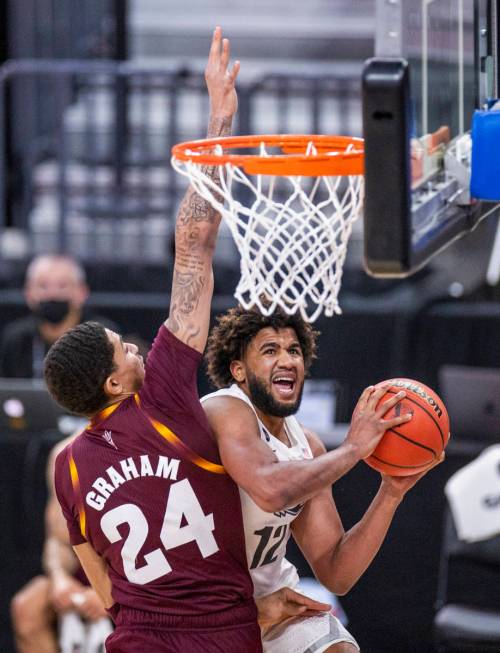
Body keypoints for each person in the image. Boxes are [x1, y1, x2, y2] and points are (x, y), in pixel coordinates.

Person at [44, 29, 327, 652]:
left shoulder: (66, 467)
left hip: (139, 639)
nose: (140, 350)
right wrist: (219, 124)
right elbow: (194, 243)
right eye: (126, 350)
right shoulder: (165, 394)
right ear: (115, 383)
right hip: (222, 634)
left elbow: (110, 595)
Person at [201, 303, 444, 653]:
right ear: (238, 370)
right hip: (205, 610)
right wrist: (353, 449)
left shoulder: (307, 444)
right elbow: (270, 489)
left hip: (272, 606)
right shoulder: (225, 408)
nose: (288, 360)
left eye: (294, 350)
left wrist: (391, 493)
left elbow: (336, 572)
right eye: (270, 350)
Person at [10, 433, 112, 653]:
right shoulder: (66, 454)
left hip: (140, 579)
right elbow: (58, 540)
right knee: (28, 606)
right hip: (86, 576)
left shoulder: (146, 446)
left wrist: (111, 591)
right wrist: (59, 578)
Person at [0, 254, 117, 378]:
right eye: (43, 286)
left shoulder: (104, 337)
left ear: (82, 292)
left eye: (62, 286)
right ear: (28, 293)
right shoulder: (16, 340)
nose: (52, 294)